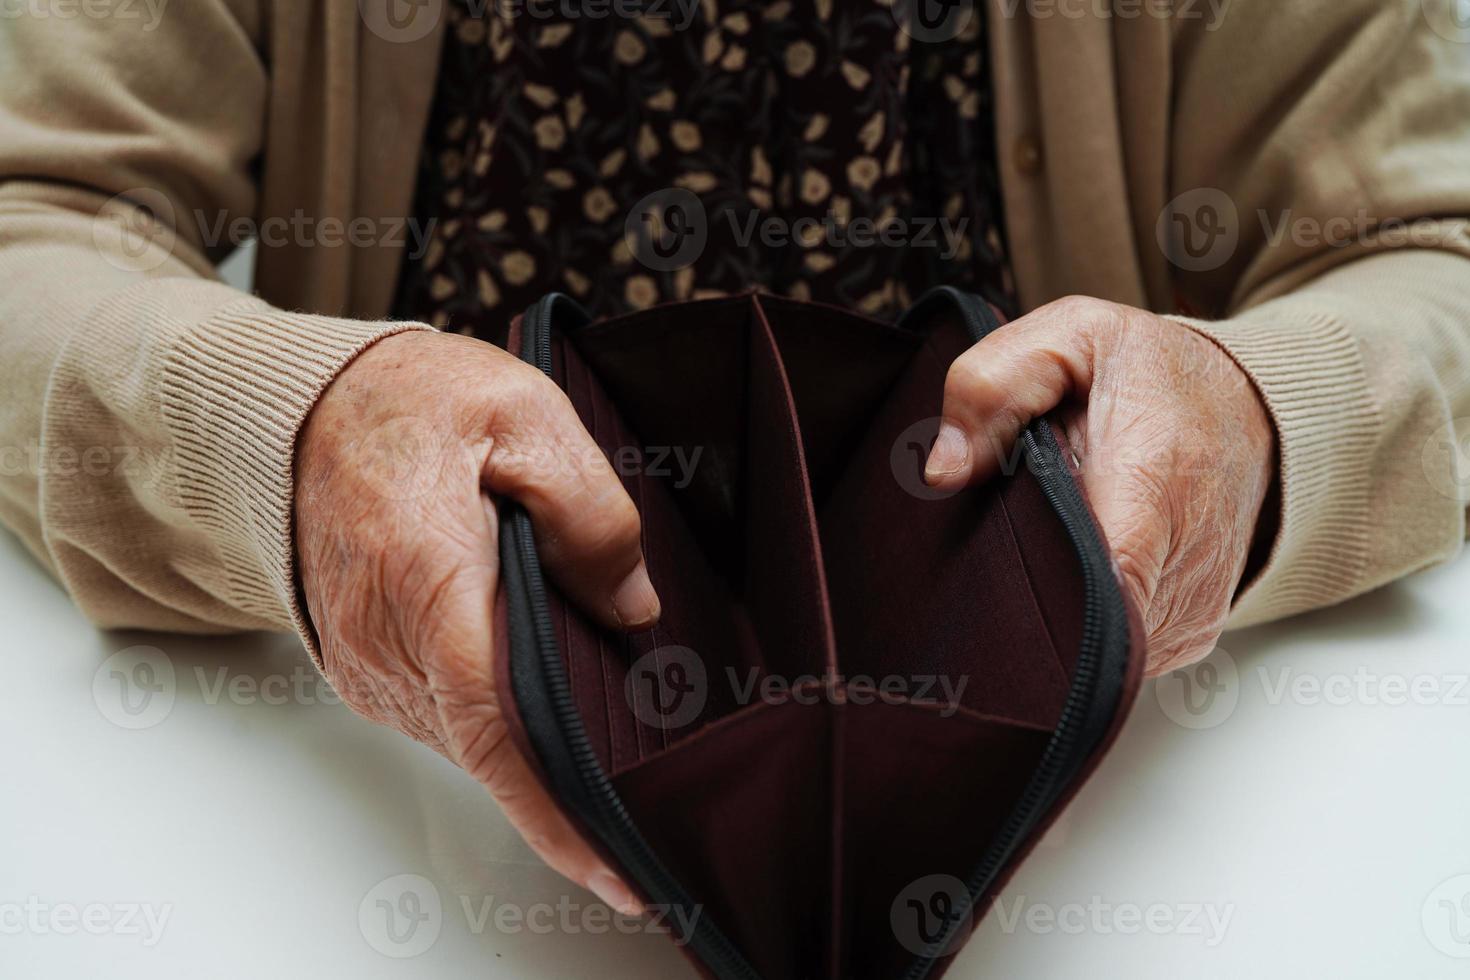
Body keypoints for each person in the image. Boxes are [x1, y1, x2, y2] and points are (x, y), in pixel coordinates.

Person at [2, 0, 1468, 920]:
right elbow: (37, 210)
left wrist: (1254, 417)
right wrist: (294, 427)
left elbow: (1426, 251)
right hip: (376, 821)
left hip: (1144, 853)